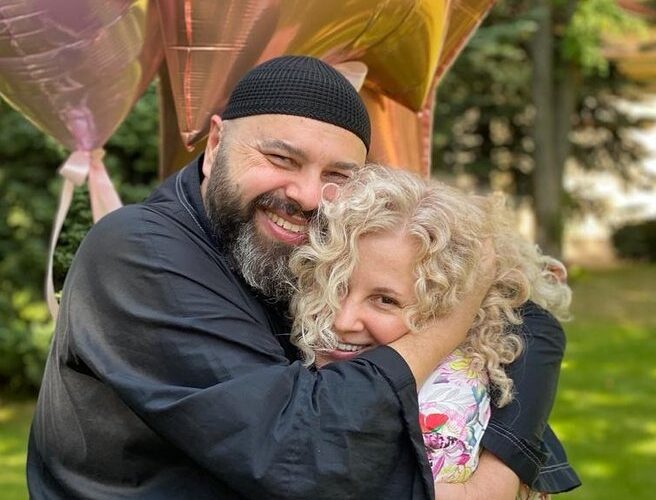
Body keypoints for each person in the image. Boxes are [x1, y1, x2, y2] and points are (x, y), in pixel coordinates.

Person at [27, 56, 492, 499]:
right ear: (215, 146)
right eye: (281, 159)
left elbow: (516, 322)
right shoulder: (136, 251)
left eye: (336, 175)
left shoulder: (307, 256)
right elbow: (302, 451)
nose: (308, 196)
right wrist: (449, 324)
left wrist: (506, 464)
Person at [289, 165, 581, 498]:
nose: (342, 320)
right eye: (335, 284)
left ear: (448, 310)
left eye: (385, 300)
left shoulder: (445, 405)